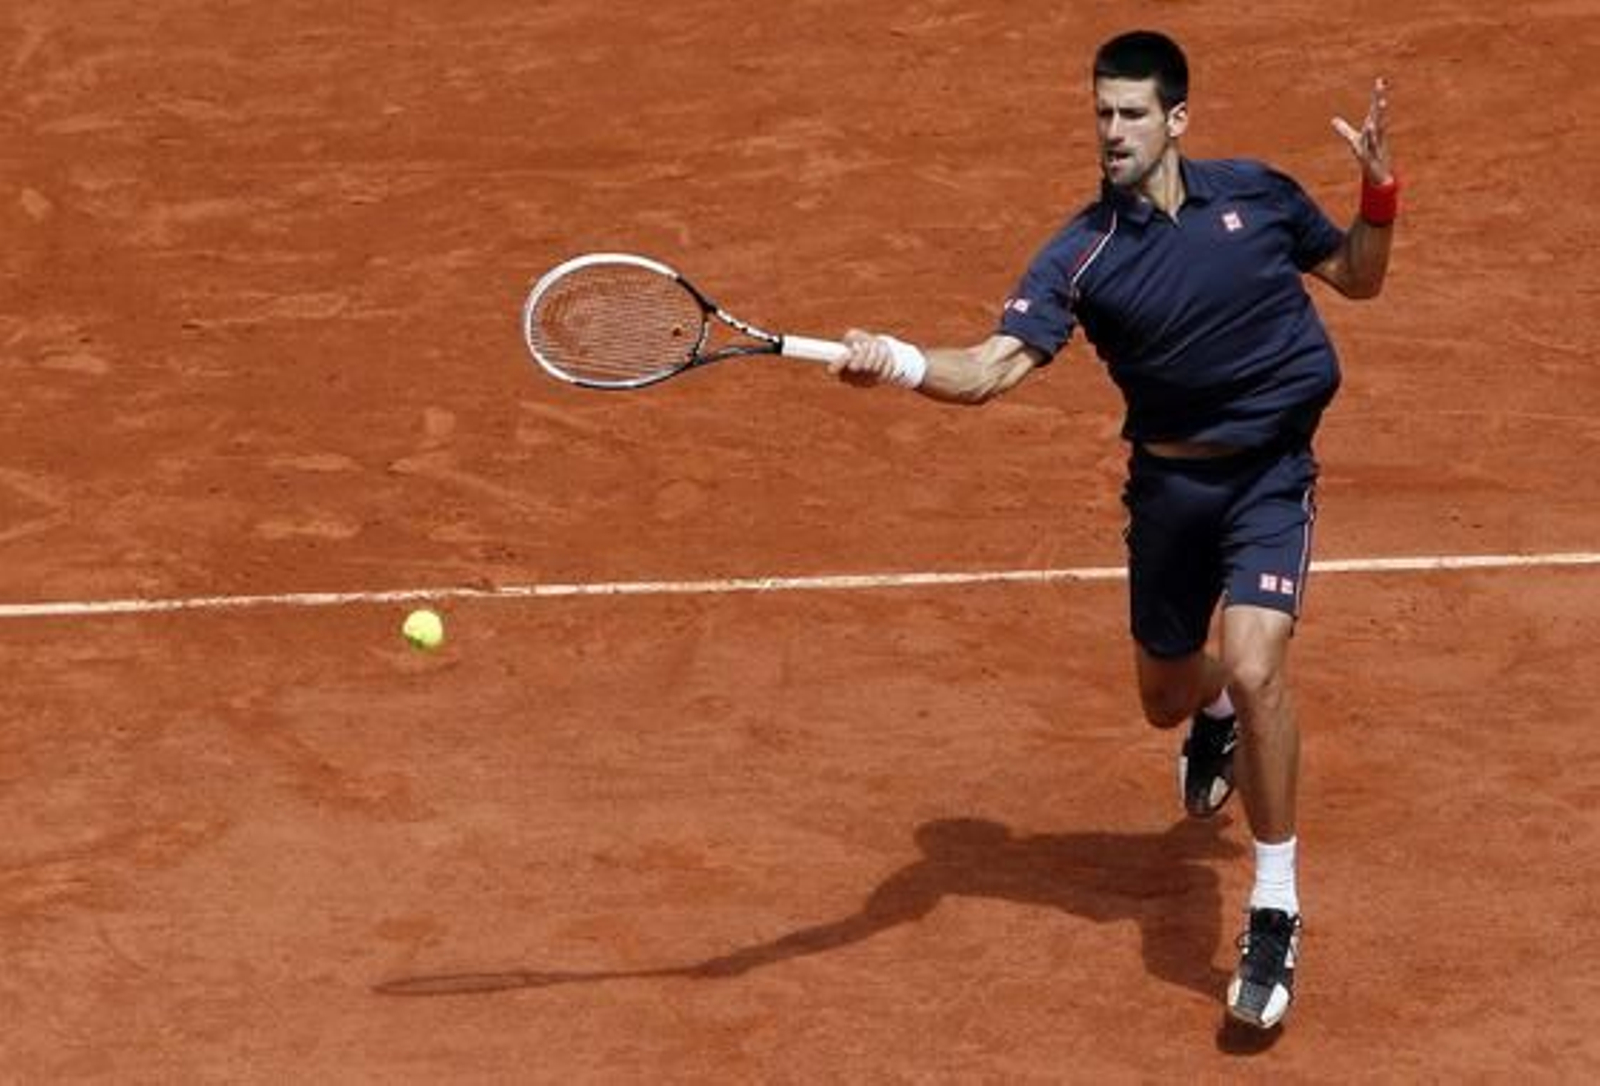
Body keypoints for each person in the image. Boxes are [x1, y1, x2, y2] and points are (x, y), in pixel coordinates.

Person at [829, 29, 1396, 1030]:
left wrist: (1378, 199)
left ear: (1175, 119)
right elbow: (993, 368)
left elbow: (1356, 276)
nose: (1112, 132)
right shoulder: (1080, 253)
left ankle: (1273, 905)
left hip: (1270, 475)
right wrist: (901, 361)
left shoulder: (1258, 195)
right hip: (1169, 502)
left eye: (1131, 113)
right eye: (1101, 114)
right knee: (1166, 696)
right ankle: (1209, 720)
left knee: (1259, 662)